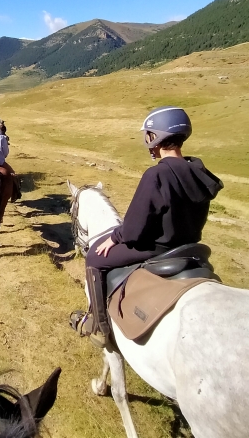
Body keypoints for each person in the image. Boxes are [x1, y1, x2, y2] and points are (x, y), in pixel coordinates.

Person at [73, 106, 223, 348]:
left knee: (94, 258)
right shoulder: (197, 170)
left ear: (154, 137)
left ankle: (98, 326)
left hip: (157, 247)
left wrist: (115, 237)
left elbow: (133, 229)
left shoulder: (157, 175)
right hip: (189, 246)